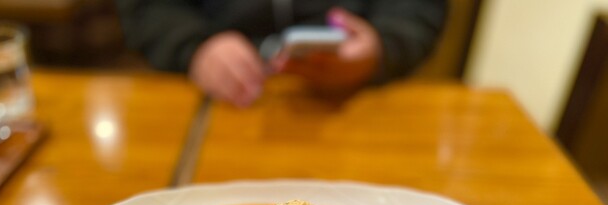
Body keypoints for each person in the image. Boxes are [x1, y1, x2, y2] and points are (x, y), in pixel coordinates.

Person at [115, 0, 448, 107]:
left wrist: (383, 46)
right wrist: (194, 46)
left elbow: (418, 9)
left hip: (358, 100)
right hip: (210, 102)